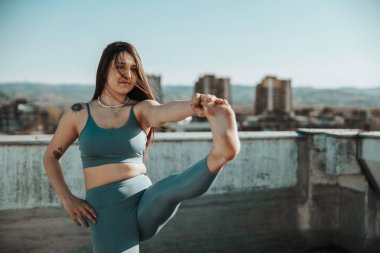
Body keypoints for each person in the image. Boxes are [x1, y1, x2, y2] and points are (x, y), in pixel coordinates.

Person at [43, 41, 240, 253]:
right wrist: (67, 199)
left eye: (134, 68)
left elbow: (163, 111)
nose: (128, 73)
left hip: (145, 197)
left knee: (169, 189)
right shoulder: (79, 113)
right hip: (107, 209)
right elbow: (50, 157)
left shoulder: (140, 109)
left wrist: (193, 106)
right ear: (103, 69)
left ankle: (219, 155)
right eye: (120, 66)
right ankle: (218, 156)